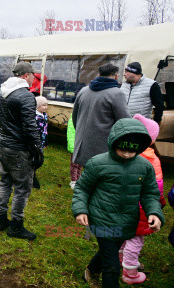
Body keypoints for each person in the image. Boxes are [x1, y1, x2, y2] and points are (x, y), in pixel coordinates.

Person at [72, 118, 164, 288]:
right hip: (102, 219)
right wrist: (80, 210)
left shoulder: (145, 167)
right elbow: (83, 188)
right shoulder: (98, 163)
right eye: (123, 149)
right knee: (112, 265)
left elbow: (150, 193)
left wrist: (154, 212)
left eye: (132, 151)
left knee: (110, 250)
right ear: (114, 142)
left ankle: (91, 270)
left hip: (127, 222)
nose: (127, 154)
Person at [0, 62, 43, 241]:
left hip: (4, 144)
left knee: (5, 182)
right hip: (18, 149)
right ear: (25, 75)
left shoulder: (2, 92)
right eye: (33, 76)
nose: (33, 79)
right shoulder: (25, 96)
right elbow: (30, 127)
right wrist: (37, 149)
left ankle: (0, 219)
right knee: (22, 188)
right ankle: (16, 225)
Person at [119, 114, 165, 284]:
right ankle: (130, 272)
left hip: (122, 203)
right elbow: (156, 187)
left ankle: (120, 259)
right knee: (136, 239)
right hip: (141, 207)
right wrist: (157, 205)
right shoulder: (152, 159)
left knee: (124, 234)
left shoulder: (124, 153)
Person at [72, 63, 130, 167]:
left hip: (83, 144)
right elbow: (124, 122)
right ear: (116, 76)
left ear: (98, 75)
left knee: (88, 175)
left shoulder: (83, 90)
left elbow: (75, 117)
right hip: (103, 147)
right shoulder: (117, 93)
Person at [33, 96, 48, 189]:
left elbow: (45, 129)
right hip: (35, 141)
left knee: (39, 159)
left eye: (46, 105)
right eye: (43, 105)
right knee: (36, 160)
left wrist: (45, 141)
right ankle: (32, 176)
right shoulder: (35, 117)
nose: (45, 107)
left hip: (42, 140)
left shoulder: (44, 115)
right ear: (38, 106)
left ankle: (31, 173)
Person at [67, 116, 82, 190]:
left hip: (81, 146)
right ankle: (73, 180)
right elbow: (71, 134)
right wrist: (73, 147)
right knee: (75, 164)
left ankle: (78, 179)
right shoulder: (73, 119)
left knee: (80, 164)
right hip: (75, 146)